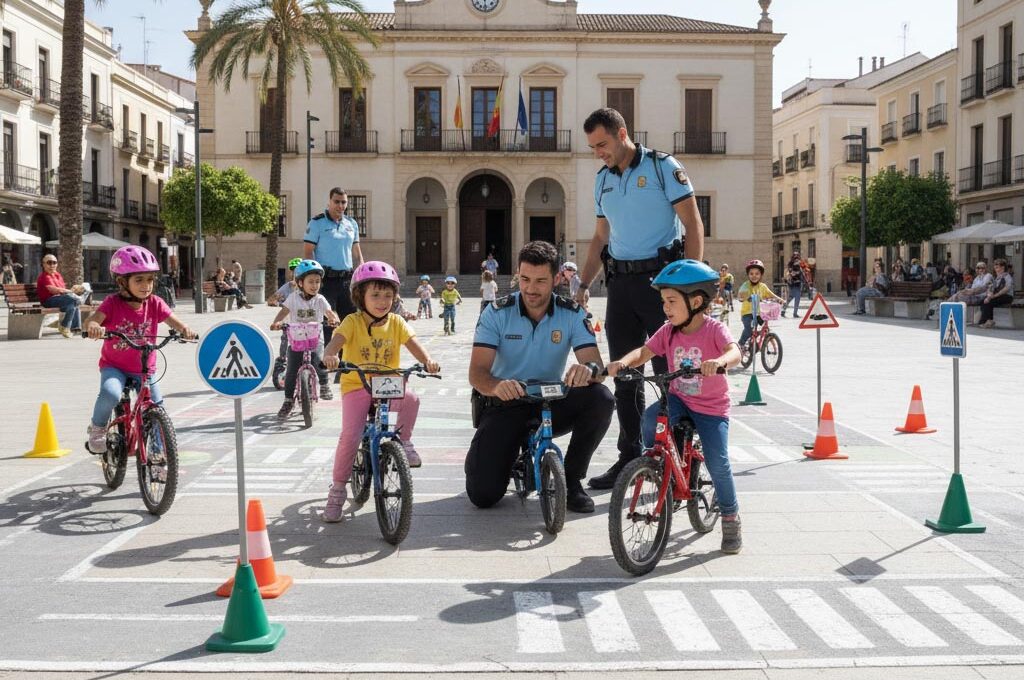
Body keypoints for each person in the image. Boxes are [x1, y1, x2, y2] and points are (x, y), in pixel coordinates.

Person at [575, 107, 706, 490]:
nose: (598, 152)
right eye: (592, 147)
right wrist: (583, 286)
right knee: (626, 375)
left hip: (663, 285)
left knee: (671, 374)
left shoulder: (663, 167)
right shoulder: (601, 180)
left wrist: (690, 285)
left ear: (622, 133)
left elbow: (693, 223)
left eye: (602, 143)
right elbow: (600, 238)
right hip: (621, 288)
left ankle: (680, 457)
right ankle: (629, 457)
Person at [605, 260, 743, 553]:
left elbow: (735, 352)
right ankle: (653, 465)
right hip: (679, 399)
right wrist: (623, 362)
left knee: (718, 463)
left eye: (671, 301)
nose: (665, 308)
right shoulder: (668, 331)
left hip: (711, 407)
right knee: (650, 419)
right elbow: (645, 351)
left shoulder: (714, 330)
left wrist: (718, 362)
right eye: (663, 301)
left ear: (695, 301)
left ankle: (730, 516)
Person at [467, 240, 614, 513]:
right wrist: (498, 386)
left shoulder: (571, 314)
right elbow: (477, 373)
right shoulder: (496, 312)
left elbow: (597, 366)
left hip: (549, 401)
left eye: (540, 281)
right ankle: (510, 453)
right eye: (524, 279)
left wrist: (587, 370)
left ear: (557, 278)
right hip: (507, 402)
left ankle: (571, 480)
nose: (530, 289)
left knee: (601, 398)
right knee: (483, 494)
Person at [321, 261, 440, 522]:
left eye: (388, 295)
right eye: (375, 295)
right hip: (357, 383)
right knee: (351, 436)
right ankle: (338, 491)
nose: (382, 301)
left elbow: (415, 345)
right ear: (360, 296)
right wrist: (330, 356)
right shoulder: (352, 321)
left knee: (410, 397)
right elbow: (335, 343)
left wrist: (429, 361)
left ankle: (404, 442)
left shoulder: (397, 322)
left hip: (388, 382)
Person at [83, 246, 195, 454]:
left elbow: (174, 321)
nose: (146, 286)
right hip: (114, 366)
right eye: (139, 280)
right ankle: (97, 428)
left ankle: (159, 453)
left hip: (145, 369)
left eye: (150, 280)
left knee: (156, 407)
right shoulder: (112, 303)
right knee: (111, 393)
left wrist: (185, 330)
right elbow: (93, 320)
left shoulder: (154, 303)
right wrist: (93, 327)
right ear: (122, 282)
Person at [269, 259, 339, 417]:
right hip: (296, 340)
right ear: (300, 283)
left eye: (317, 282)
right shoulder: (293, 298)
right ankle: (288, 400)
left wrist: (333, 319)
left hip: (315, 338)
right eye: (310, 282)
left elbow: (329, 312)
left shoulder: (320, 299)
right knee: (292, 370)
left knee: (319, 360)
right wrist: (277, 322)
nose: (315, 285)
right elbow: (283, 312)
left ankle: (324, 384)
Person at [304, 187, 364, 343]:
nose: (340, 206)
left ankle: (346, 359)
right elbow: (308, 252)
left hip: (346, 280)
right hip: (325, 280)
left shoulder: (352, 224)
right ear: (329, 202)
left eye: (343, 202)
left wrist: (362, 271)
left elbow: (357, 252)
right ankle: (326, 359)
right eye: (336, 201)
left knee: (349, 319)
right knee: (326, 321)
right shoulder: (317, 223)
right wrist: (312, 278)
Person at [736, 259, 784, 348]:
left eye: (757, 274)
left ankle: (773, 346)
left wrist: (779, 299)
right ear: (748, 275)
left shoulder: (763, 286)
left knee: (766, 329)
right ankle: (740, 345)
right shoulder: (746, 285)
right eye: (751, 274)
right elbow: (740, 295)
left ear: (761, 275)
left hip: (759, 313)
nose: (754, 276)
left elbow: (771, 294)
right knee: (749, 330)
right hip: (747, 314)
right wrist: (745, 298)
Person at [36, 255, 83, 337]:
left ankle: (71, 327)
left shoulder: (58, 275)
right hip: (49, 301)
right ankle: (67, 326)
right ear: (44, 264)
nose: (52, 265)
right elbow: (53, 290)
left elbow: (62, 289)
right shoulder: (44, 276)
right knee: (74, 300)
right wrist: (71, 291)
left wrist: (74, 290)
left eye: (54, 263)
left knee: (72, 304)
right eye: (49, 263)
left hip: (60, 300)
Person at [977, 258, 1014, 329]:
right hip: (998, 296)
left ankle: (984, 321)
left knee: (989, 301)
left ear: (1002, 267)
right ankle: (988, 320)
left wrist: (993, 296)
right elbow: (991, 289)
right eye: (995, 267)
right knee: (984, 301)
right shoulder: (996, 278)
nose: (995, 269)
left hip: (1007, 296)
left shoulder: (1007, 276)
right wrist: (989, 296)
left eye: (997, 267)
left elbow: (1006, 289)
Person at [784, 252, 804, 318]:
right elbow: (792, 273)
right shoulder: (793, 264)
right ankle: (795, 313)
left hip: (794, 284)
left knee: (790, 298)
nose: (797, 258)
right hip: (794, 284)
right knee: (797, 299)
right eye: (796, 257)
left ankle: (783, 310)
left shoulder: (795, 264)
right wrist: (797, 272)